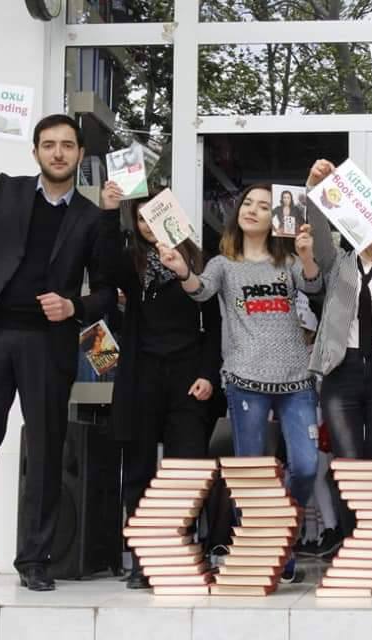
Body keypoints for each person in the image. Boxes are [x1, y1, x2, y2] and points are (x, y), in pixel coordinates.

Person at [0, 113, 120, 591]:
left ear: (80, 155)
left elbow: (108, 291)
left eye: (67, 145)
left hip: (47, 343)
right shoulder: (7, 190)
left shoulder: (91, 217)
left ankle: (35, 559)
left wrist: (73, 306)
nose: (58, 153)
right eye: (49, 144)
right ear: (35, 152)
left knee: (47, 449)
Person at [157, 183, 333, 584]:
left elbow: (313, 286)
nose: (253, 210)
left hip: (295, 379)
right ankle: (261, 550)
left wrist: (307, 257)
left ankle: (281, 534)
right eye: (248, 203)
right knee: (250, 473)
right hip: (244, 378)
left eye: (264, 206)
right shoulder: (224, 264)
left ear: (276, 218)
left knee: (306, 465)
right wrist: (182, 270)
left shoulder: (288, 261)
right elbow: (201, 291)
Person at [108, 191, 223, 589]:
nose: (148, 226)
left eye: (154, 217)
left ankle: (180, 551)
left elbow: (216, 324)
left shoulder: (201, 262)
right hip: (141, 376)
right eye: (140, 219)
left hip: (188, 378)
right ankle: (144, 559)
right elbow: (104, 262)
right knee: (139, 470)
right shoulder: (131, 262)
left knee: (186, 468)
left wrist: (209, 374)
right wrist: (109, 212)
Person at [304, 159, 372, 568]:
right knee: (349, 468)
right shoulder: (337, 263)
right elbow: (318, 237)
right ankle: (355, 556)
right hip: (342, 369)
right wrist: (314, 187)